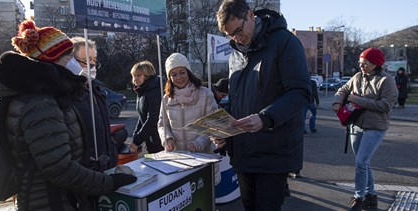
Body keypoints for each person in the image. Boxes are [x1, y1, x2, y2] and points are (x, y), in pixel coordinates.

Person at [0, 20, 136, 210]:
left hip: (61, 198)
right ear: (50, 61)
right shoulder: (40, 103)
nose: (74, 64)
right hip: (49, 202)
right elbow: (60, 169)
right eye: (69, 57)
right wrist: (109, 182)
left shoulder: (50, 95)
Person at [214, 1, 312, 210]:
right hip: (242, 152)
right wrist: (223, 129)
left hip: (273, 152)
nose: (237, 38)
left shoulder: (285, 42)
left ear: (250, 15)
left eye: (238, 30)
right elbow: (235, 100)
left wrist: (265, 118)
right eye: (230, 35)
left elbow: (300, 92)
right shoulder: (235, 54)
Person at [332, 48, 398, 210]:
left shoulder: (386, 81)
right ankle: (372, 196)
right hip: (356, 125)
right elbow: (343, 90)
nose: (361, 66)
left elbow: (385, 105)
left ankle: (358, 197)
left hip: (375, 128)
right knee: (364, 163)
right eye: (360, 63)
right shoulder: (358, 77)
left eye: (365, 63)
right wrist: (337, 102)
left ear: (375, 64)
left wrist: (358, 100)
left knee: (361, 162)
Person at [71, 36, 118, 170]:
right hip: (85, 169)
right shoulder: (68, 94)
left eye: (94, 60)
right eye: (86, 60)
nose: (92, 65)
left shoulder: (98, 90)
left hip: (106, 163)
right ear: (71, 62)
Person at [158, 53, 218, 153]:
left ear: (188, 72)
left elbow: (212, 124)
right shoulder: (166, 99)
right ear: (169, 78)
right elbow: (162, 124)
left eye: (182, 72)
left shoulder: (205, 94)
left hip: (204, 155)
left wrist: (198, 143)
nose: (179, 77)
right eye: (174, 74)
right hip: (178, 156)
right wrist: (167, 138)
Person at [129, 61, 164, 154]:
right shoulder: (142, 90)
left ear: (147, 76)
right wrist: (135, 137)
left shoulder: (154, 90)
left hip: (160, 140)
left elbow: (153, 119)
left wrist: (137, 141)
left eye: (138, 75)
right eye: (134, 76)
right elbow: (141, 117)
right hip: (151, 140)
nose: (135, 79)